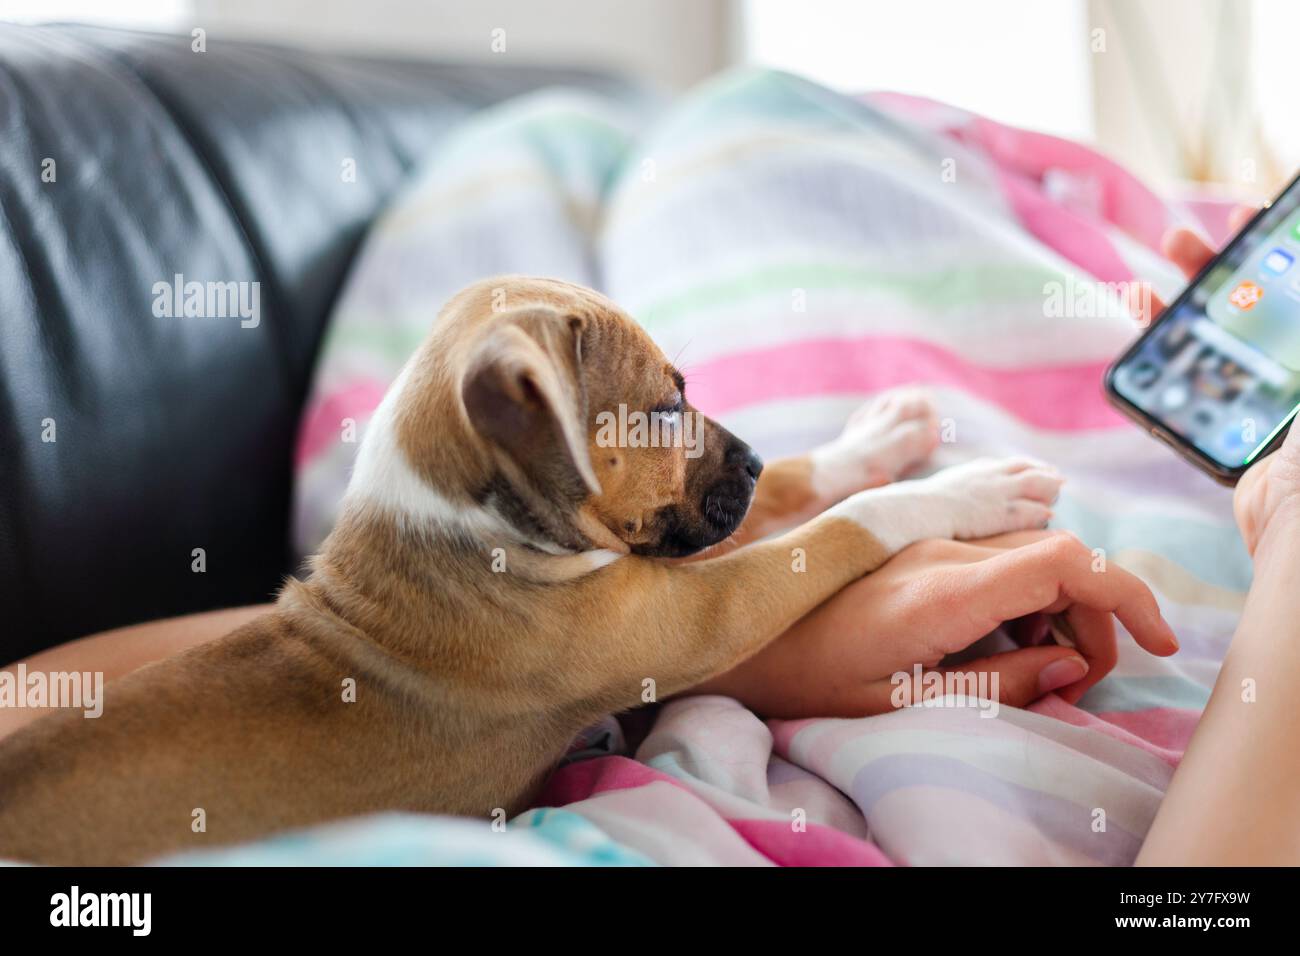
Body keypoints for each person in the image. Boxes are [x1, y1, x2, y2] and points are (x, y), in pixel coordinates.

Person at [1, 217, 1291, 864]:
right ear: (539, 419)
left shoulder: (431, 566)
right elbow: (680, 615)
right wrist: (883, 510)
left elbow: (632, 607)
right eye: (668, 413)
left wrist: (815, 479)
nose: (703, 433)